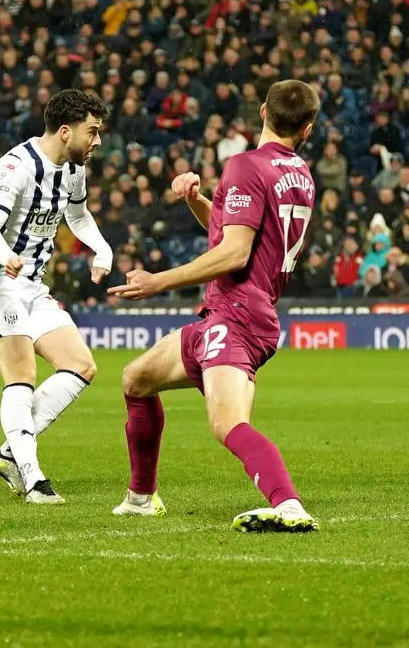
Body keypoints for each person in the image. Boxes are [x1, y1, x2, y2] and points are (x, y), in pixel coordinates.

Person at [107, 79, 322, 532]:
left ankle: (289, 506)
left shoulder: (247, 165)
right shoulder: (299, 173)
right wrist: (198, 201)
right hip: (234, 312)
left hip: (239, 314)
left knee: (227, 424)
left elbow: (236, 253)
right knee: (136, 379)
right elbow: (241, 234)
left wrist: (158, 281)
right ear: (307, 128)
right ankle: (142, 498)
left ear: (262, 110)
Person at [0, 89, 113, 504]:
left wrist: (101, 249)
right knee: (22, 374)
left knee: (81, 365)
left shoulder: (73, 169)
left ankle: (9, 453)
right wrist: (7, 256)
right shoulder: (16, 166)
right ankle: (33, 479)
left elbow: (78, 214)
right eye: (93, 131)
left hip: (32, 286)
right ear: (66, 131)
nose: (98, 141)